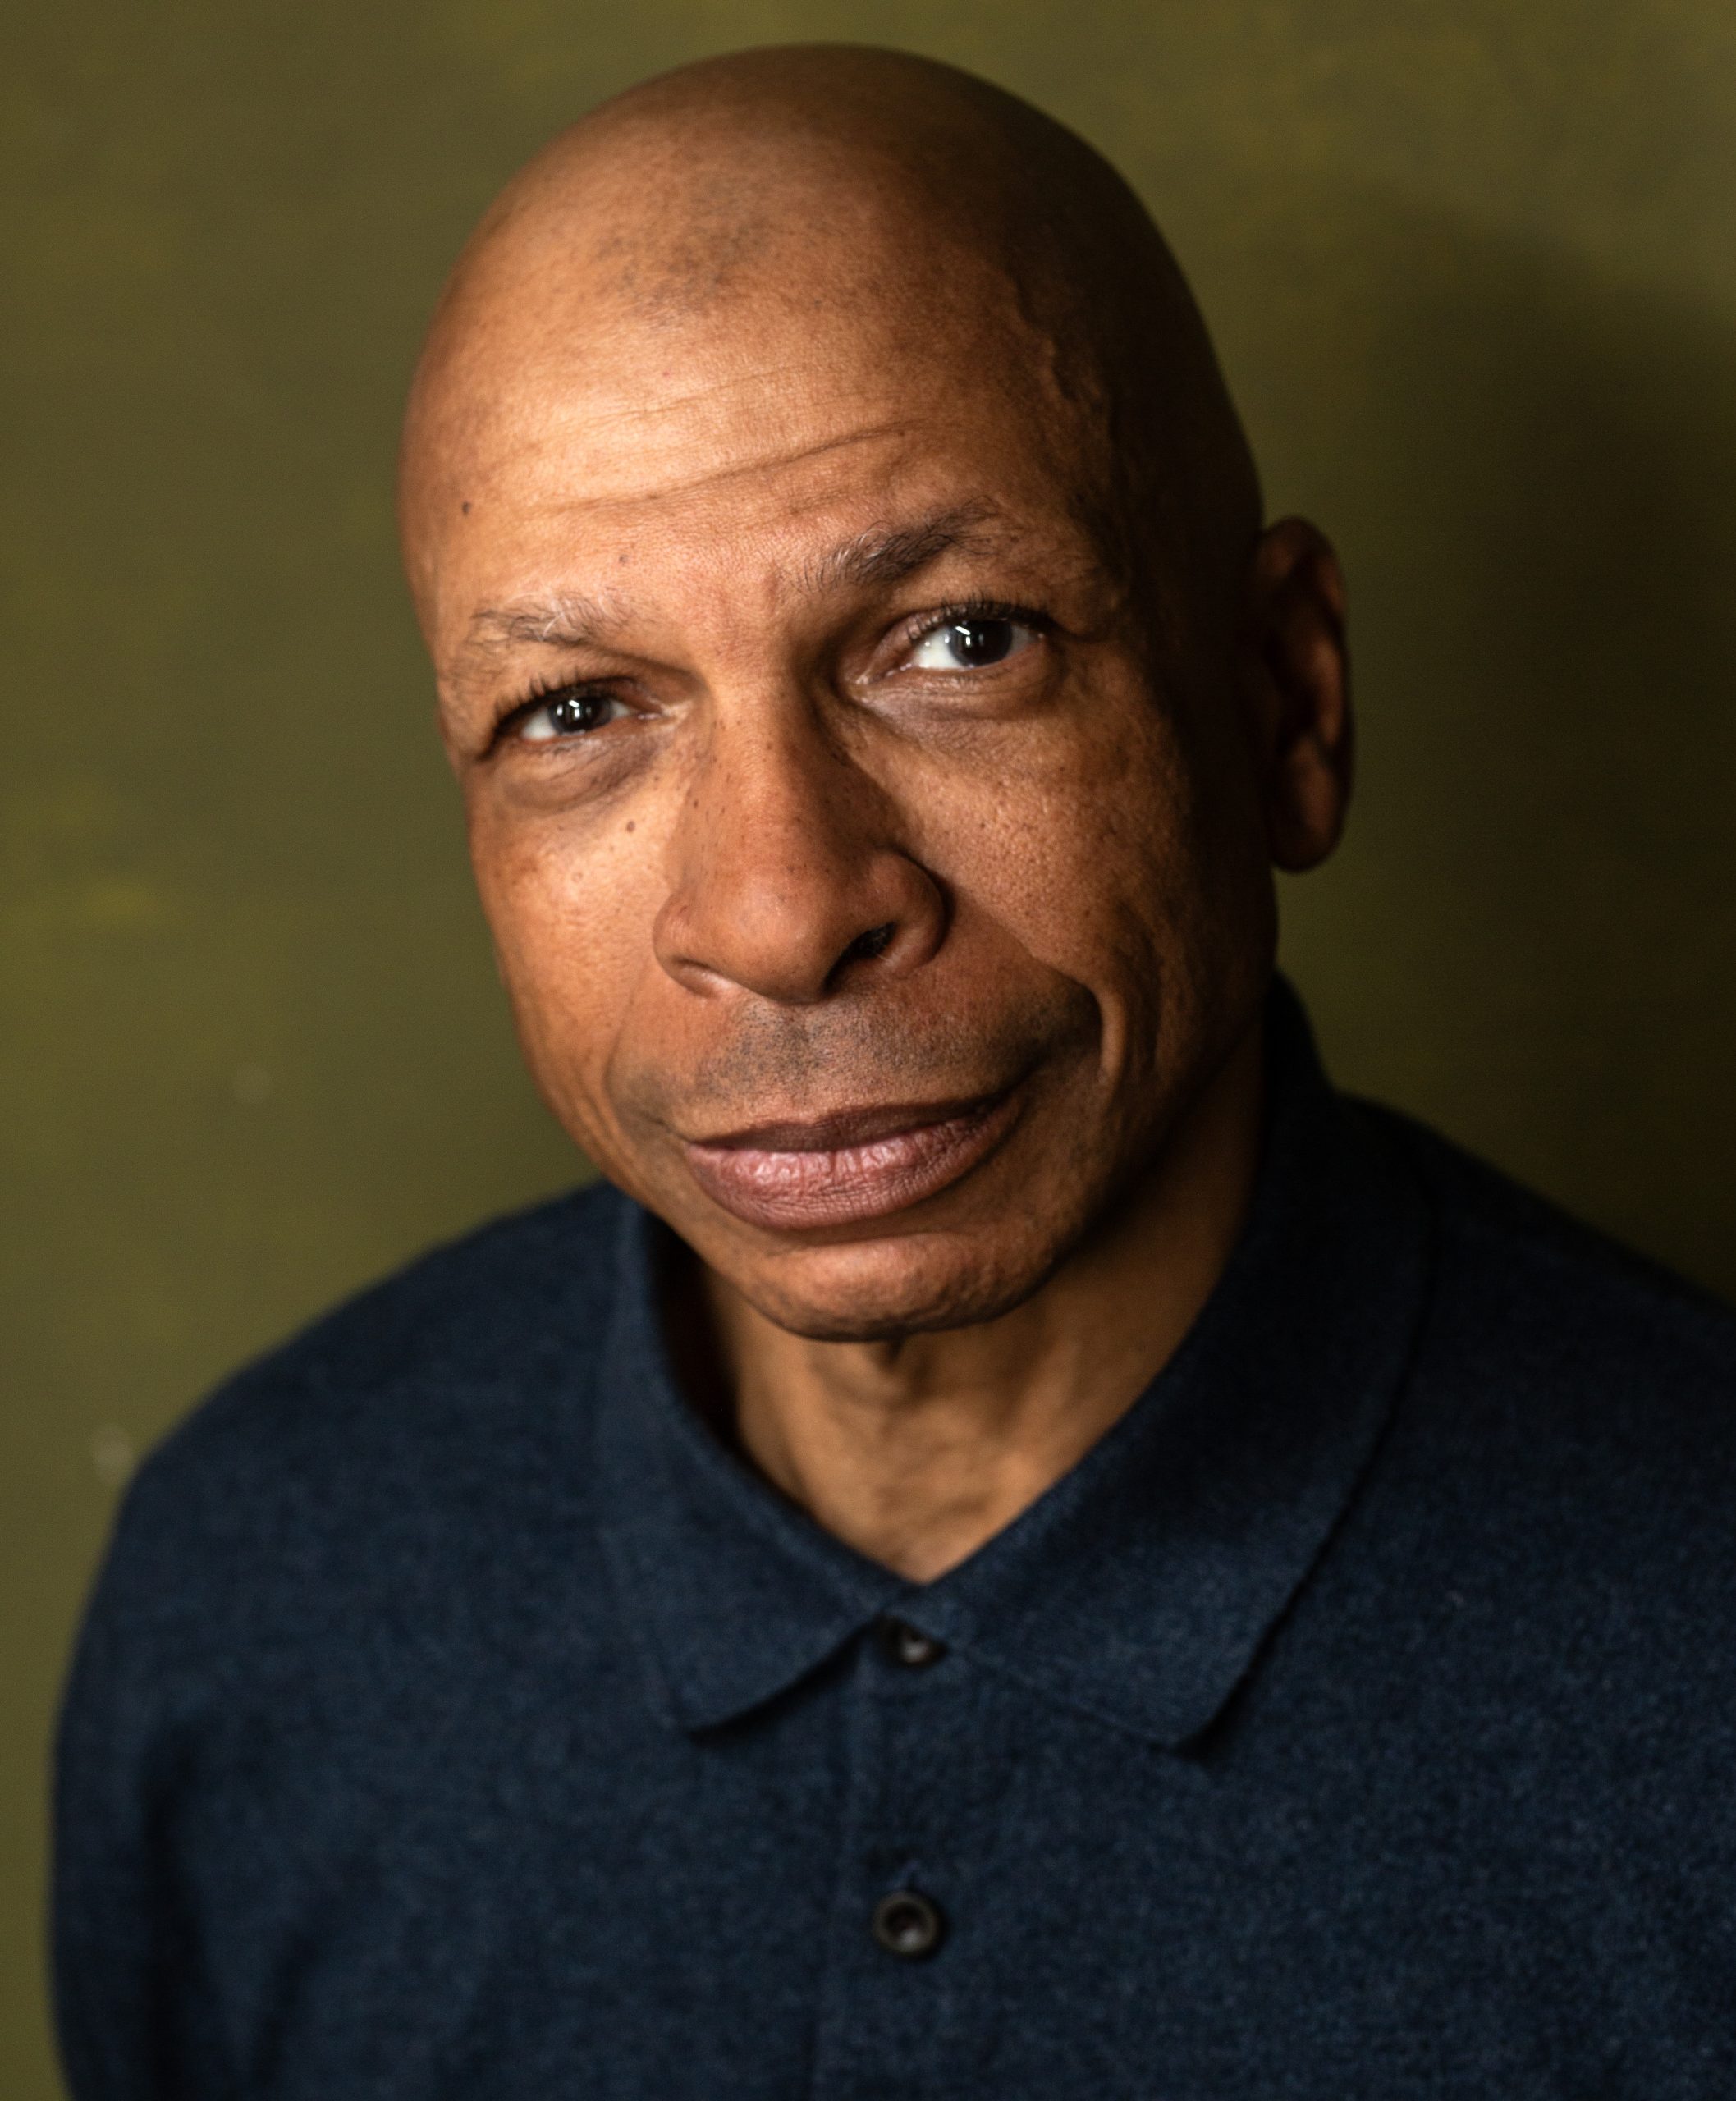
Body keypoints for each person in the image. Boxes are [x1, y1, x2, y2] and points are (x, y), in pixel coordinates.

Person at [54, 44, 1736, 2099]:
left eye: (961, 643)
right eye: (577, 704)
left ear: (1282, 703)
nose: (777, 907)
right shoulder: (260, 1594)